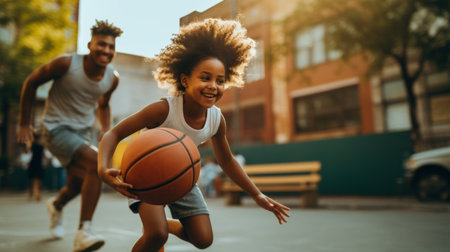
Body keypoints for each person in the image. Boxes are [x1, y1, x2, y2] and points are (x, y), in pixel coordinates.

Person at [98, 18, 290, 252]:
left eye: (220, 81)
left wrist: (257, 195)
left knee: (203, 239)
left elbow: (227, 161)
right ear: (185, 79)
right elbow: (114, 132)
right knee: (156, 235)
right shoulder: (164, 109)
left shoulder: (216, 120)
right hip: (145, 174)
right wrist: (102, 168)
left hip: (181, 178)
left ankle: (166, 224)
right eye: (205, 77)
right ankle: (158, 228)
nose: (213, 86)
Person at [17, 20, 123, 251]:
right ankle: (84, 232)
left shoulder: (111, 78)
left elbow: (103, 105)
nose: (106, 50)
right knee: (96, 164)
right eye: (101, 44)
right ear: (89, 45)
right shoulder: (66, 64)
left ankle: (56, 205)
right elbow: (31, 82)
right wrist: (24, 123)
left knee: (77, 185)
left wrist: (106, 130)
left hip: (83, 133)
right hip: (56, 130)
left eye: (111, 47)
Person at [27, 132, 45, 201]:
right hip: (38, 164)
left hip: (33, 163)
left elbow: (27, 153)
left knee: (32, 179)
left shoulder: (31, 145)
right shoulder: (41, 146)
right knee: (37, 179)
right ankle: (36, 193)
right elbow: (44, 156)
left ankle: (32, 193)